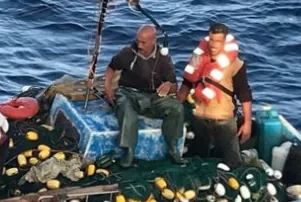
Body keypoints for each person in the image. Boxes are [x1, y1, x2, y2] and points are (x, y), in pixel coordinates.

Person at [103, 24, 185, 167]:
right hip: (128, 92)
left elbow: (173, 86)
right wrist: (108, 87)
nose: (139, 45)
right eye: (138, 41)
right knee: (127, 110)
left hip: (153, 96)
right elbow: (111, 67)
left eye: (143, 42)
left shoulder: (164, 59)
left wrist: (169, 86)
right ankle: (128, 151)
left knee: (176, 108)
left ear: (153, 40)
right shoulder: (127, 53)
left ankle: (173, 148)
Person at [176, 22, 252, 168]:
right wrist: (176, 103)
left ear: (224, 42)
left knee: (232, 161)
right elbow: (187, 83)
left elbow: (244, 94)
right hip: (200, 118)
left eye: (218, 41)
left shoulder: (236, 64)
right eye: (211, 40)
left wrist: (247, 123)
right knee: (198, 158)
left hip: (223, 120)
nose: (213, 45)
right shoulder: (197, 58)